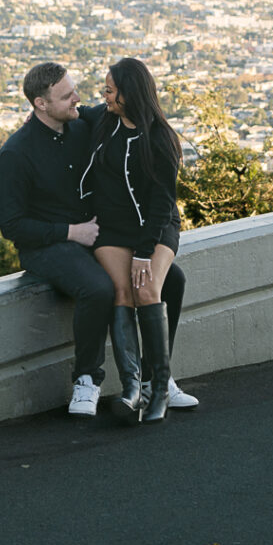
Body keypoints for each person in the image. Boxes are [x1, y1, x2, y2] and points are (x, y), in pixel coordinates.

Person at [0, 62, 197, 418]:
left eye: (75, 90)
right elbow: (12, 226)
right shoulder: (15, 154)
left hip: (98, 233)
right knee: (99, 288)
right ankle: (87, 378)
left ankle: (154, 381)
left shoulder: (86, 124)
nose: (78, 98)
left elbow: (132, 106)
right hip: (49, 243)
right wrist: (71, 232)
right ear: (40, 105)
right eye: (67, 95)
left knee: (172, 279)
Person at [78, 57, 186, 424]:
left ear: (129, 93)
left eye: (110, 90)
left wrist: (144, 252)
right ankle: (131, 389)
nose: (104, 96)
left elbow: (162, 202)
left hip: (154, 226)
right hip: (112, 227)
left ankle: (159, 389)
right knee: (121, 291)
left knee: (146, 290)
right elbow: (71, 113)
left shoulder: (160, 138)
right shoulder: (103, 120)